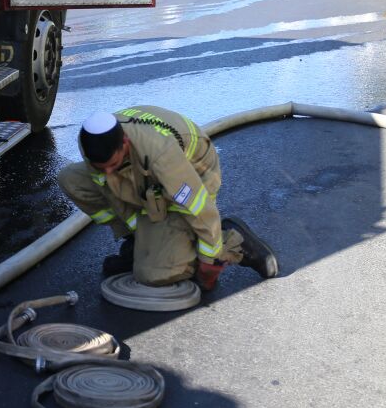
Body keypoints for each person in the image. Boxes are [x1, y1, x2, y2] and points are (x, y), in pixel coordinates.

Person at [58, 108, 279, 291]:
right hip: (144, 174)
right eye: (101, 168)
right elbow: (108, 188)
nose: (107, 172)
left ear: (125, 142)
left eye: (112, 165)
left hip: (196, 172)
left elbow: (199, 208)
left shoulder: (161, 156)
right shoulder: (90, 145)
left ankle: (232, 242)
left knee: (152, 275)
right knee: (71, 180)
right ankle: (139, 243)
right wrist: (139, 237)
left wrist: (209, 262)